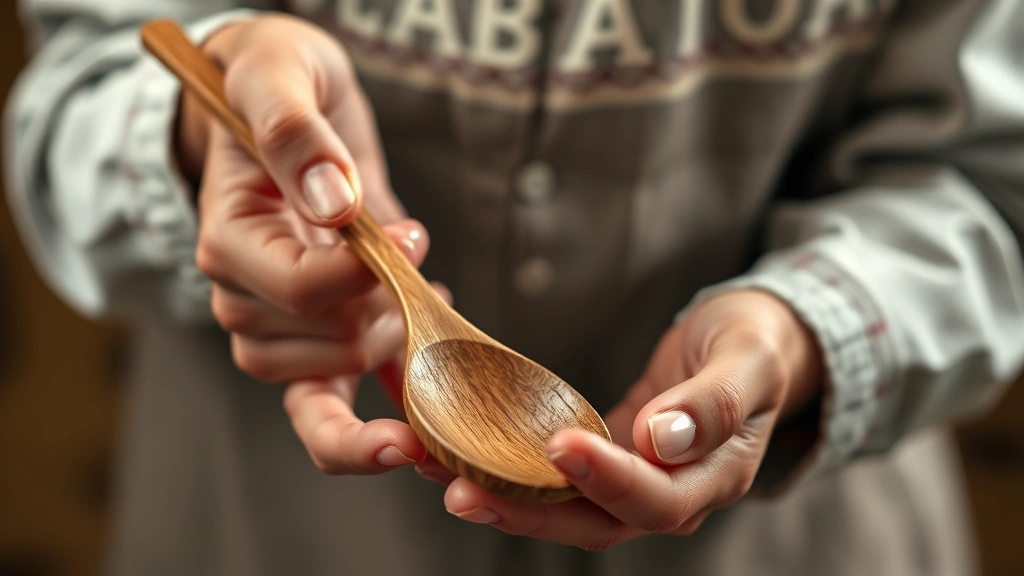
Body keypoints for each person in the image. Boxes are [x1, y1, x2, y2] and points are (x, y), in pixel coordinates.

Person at [5, 0, 1024, 574]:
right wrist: (203, 138)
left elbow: (992, 183)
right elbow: (74, 86)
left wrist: (803, 334)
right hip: (265, 530)